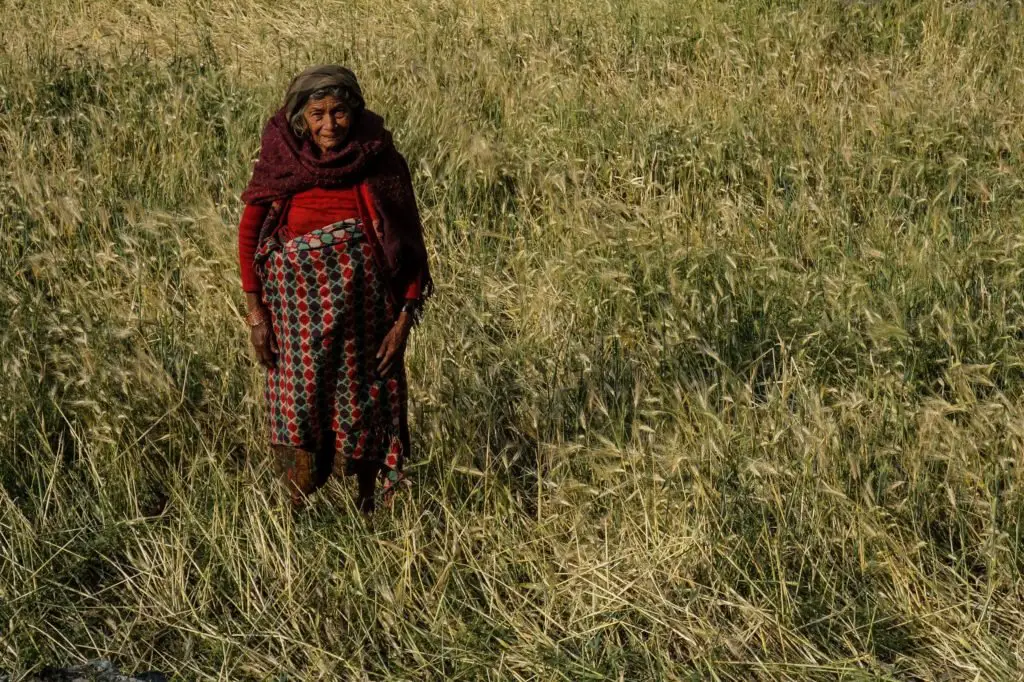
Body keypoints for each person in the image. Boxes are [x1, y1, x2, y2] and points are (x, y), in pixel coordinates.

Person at [237, 65, 432, 513]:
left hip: (365, 323)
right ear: (300, 119)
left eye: (339, 112)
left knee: (365, 404)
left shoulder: (378, 158)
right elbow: (250, 237)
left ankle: (369, 513)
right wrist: (256, 315)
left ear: (354, 110)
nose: (329, 125)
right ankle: (293, 516)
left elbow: (410, 245)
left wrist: (403, 322)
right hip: (295, 326)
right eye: (318, 114)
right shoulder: (282, 160)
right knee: (299, 408)